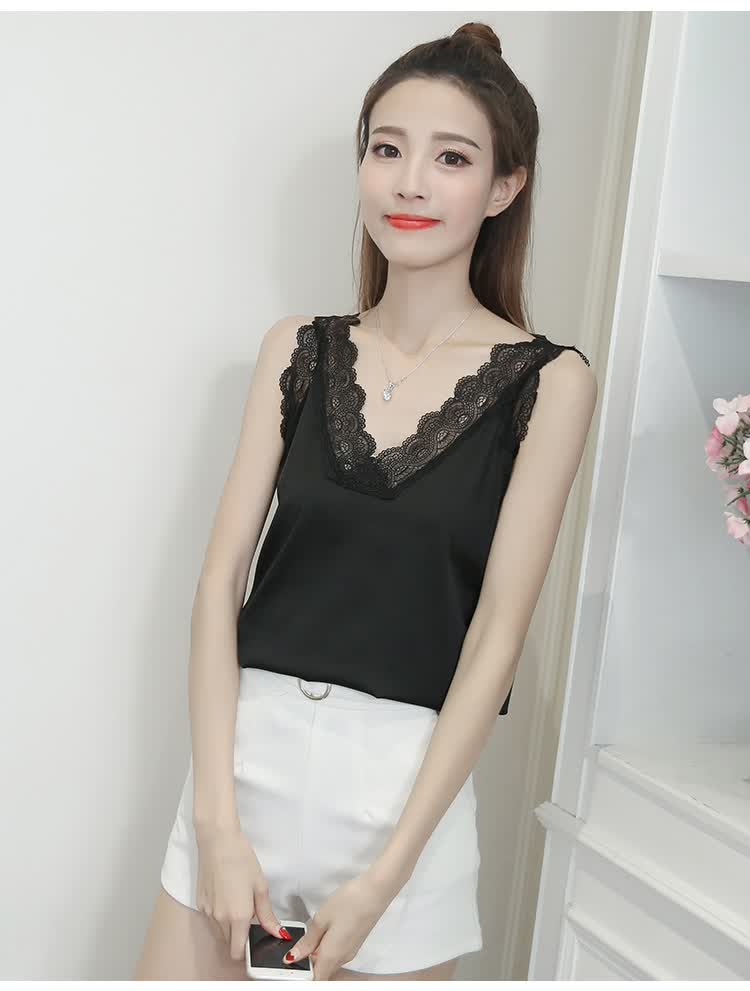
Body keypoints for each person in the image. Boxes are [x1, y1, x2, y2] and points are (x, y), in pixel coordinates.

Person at [134, 20, 598, 982]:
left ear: (505, 187)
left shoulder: (550, 384)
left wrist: (387, 876)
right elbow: (219, 585)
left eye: (451, 158)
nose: (410, 183)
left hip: (404, 803)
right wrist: (216, 823)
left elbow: (496, 639)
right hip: (244, 772)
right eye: (387, 149)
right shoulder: (297, 349)